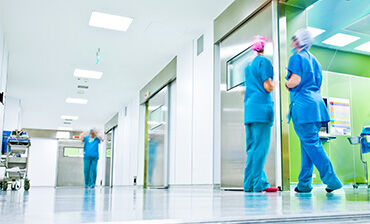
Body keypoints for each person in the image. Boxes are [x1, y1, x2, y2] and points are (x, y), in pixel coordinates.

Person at [285, 28, 342, 193]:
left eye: (294, 39)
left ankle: (332, 180)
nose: (292, 42)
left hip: (303, 108)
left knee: (312, 144)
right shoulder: (315, 60)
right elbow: (318, 85)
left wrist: (285, 82)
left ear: (298, 41)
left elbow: (295, 81)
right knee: (307, 145)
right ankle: (304, 184)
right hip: (317, 107)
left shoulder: (296, 57)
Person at [243, 36, 278, 192]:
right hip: (262, 109)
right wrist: (278, 83)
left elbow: (245, 90)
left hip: (249, 110)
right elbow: (267, 86)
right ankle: (258, 184)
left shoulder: (247, 66)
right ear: (264, 48)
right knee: (260, 148)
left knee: (252, 148)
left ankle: (249, 184)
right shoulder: (264, 62)